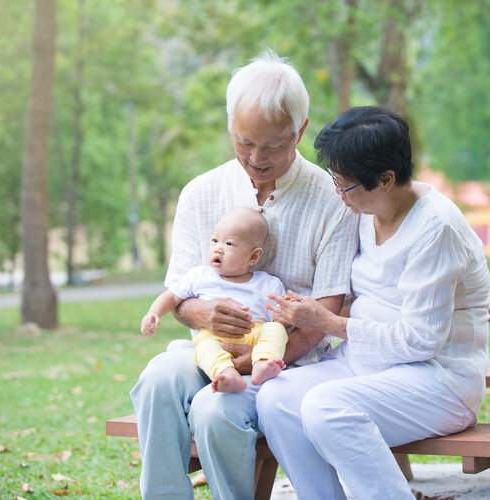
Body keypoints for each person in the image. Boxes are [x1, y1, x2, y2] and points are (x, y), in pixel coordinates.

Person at [130, 51, 359, 500]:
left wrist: (259, 364)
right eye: (244, 141)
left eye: (273, 144)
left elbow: (328, 310)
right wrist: (203, 314)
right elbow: (180, 297)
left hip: (285, 363)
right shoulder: (201, 192)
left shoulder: (331, 201)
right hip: (209, 349)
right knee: (157, 379)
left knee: (216, 410)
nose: (256, 157)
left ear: (301, 129)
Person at [256, 106, 490, 499]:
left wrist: (328, 323)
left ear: (385, 179)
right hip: (366, 367)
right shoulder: (365, 211)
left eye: (345, 185)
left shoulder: (437, 229)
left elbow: (421, 341)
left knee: (326, 408)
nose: (338, 194)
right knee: (276, 398)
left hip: (438, 380)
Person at [139, 208, 289, 392]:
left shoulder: (268, 284)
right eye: (215, 240)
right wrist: (154, 313)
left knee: (275, 330)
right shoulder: (200, 276)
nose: (218, 248)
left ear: (254, 256)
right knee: (204, 346)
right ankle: (225, 374)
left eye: (229, 244)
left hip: (253, 337)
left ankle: (263, 363)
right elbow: (171, 296)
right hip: (213, 336)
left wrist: (283, 321)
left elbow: (279, 319)